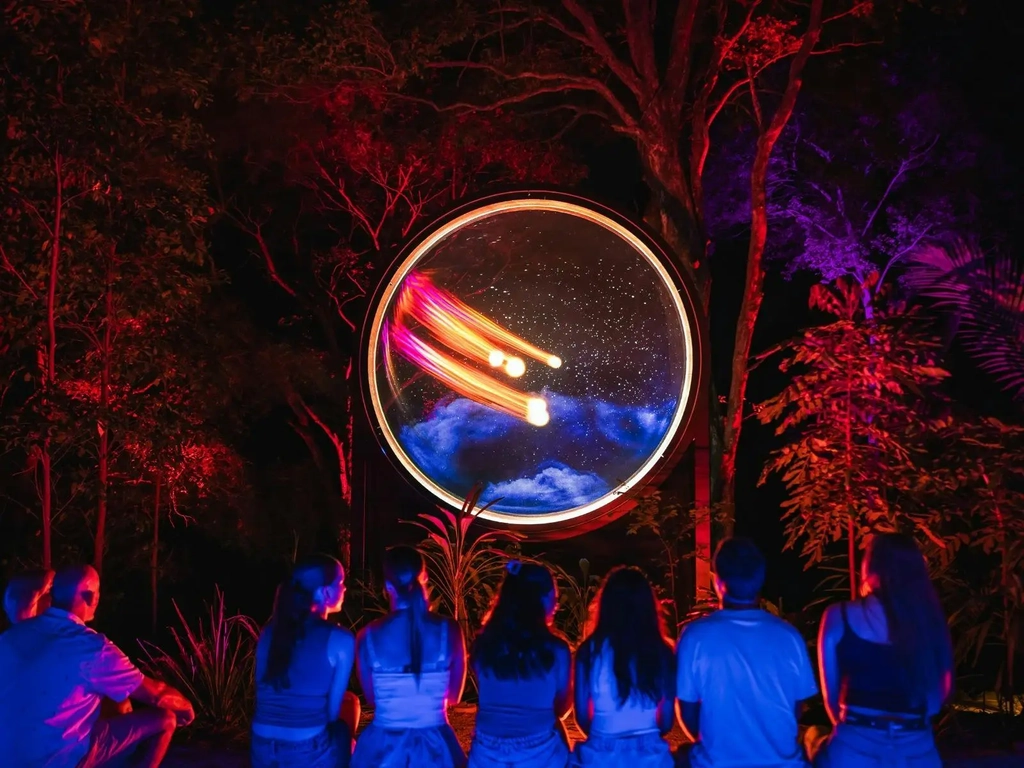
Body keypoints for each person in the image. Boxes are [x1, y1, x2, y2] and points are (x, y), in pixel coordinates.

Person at [0, 565, 194, 767]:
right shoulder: (91, 646)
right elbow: (156, 694)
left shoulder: (8, 638)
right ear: (93, 598)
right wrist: (187, 709)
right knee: (164, 719)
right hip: (58, 761)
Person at [810, 533, 953, 768]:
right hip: (917, 752)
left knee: (812, 737)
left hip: (854, 748)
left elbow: (832, 700)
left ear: (870, 565)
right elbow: (936, 701)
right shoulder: (930, 621)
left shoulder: (839, 616)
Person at [675, 537, 818, 768]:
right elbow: (796, 707)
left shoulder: (696, 636)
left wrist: (714, 747)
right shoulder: (788, 636)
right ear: (761, 579)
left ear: (717, 581)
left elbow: (687, 709)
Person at [352, 546, 467, 768]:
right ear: (424, 577)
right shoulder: (448, 630)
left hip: (383, 745)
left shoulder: (367, 636)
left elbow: (371, 698)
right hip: (436, 745)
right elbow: (454, 696)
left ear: (387, 586)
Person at [252, 555, 361, 768]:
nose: (345, 588)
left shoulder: (269, 632)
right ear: (324, 592)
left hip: (261, 744)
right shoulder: (340, 639)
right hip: (306, 749)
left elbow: (261, 693)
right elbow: (331, 714)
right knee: (347, 715)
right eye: (340, 582)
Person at [468, 560, 573, 768]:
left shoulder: (483, 645)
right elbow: (560, 709)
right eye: (555, 597)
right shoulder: (555, 650)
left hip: (487, 751)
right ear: (543, 599)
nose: (557, 605)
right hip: (539, 749)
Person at [572, 566, 676, 768]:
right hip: (651, 754)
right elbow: (666, 721)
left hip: (601, 751)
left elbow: (583, 717)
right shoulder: (662, 652)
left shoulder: (589, 651)